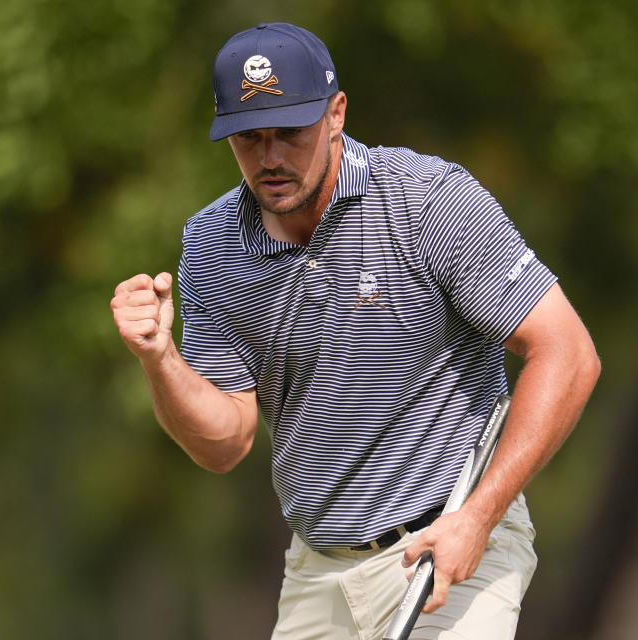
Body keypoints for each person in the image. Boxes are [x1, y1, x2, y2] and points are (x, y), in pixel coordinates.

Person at [111, 22, 600, 640]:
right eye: (248, 137)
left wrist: (478, 519)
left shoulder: (426, 200)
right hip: (319, 570)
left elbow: (569, 353)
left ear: (336, 113)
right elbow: (225, 441)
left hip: (449, 537)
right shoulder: (212, 247)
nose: (270, 158)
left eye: (290, 132)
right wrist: (159, 358)